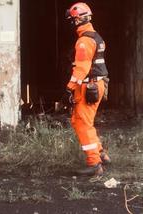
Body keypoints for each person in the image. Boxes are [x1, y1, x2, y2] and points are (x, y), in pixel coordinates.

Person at [65, 2, 111, 176]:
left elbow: (82, 68)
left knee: (82, 123)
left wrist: (69, 87)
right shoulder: (96, 37)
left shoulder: (84, 41)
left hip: (88, 86)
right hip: (95, 84)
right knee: (81, 121)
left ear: (77, 20)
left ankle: (94, 164)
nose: (71, 24)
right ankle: (100, 154)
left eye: (72, 20)